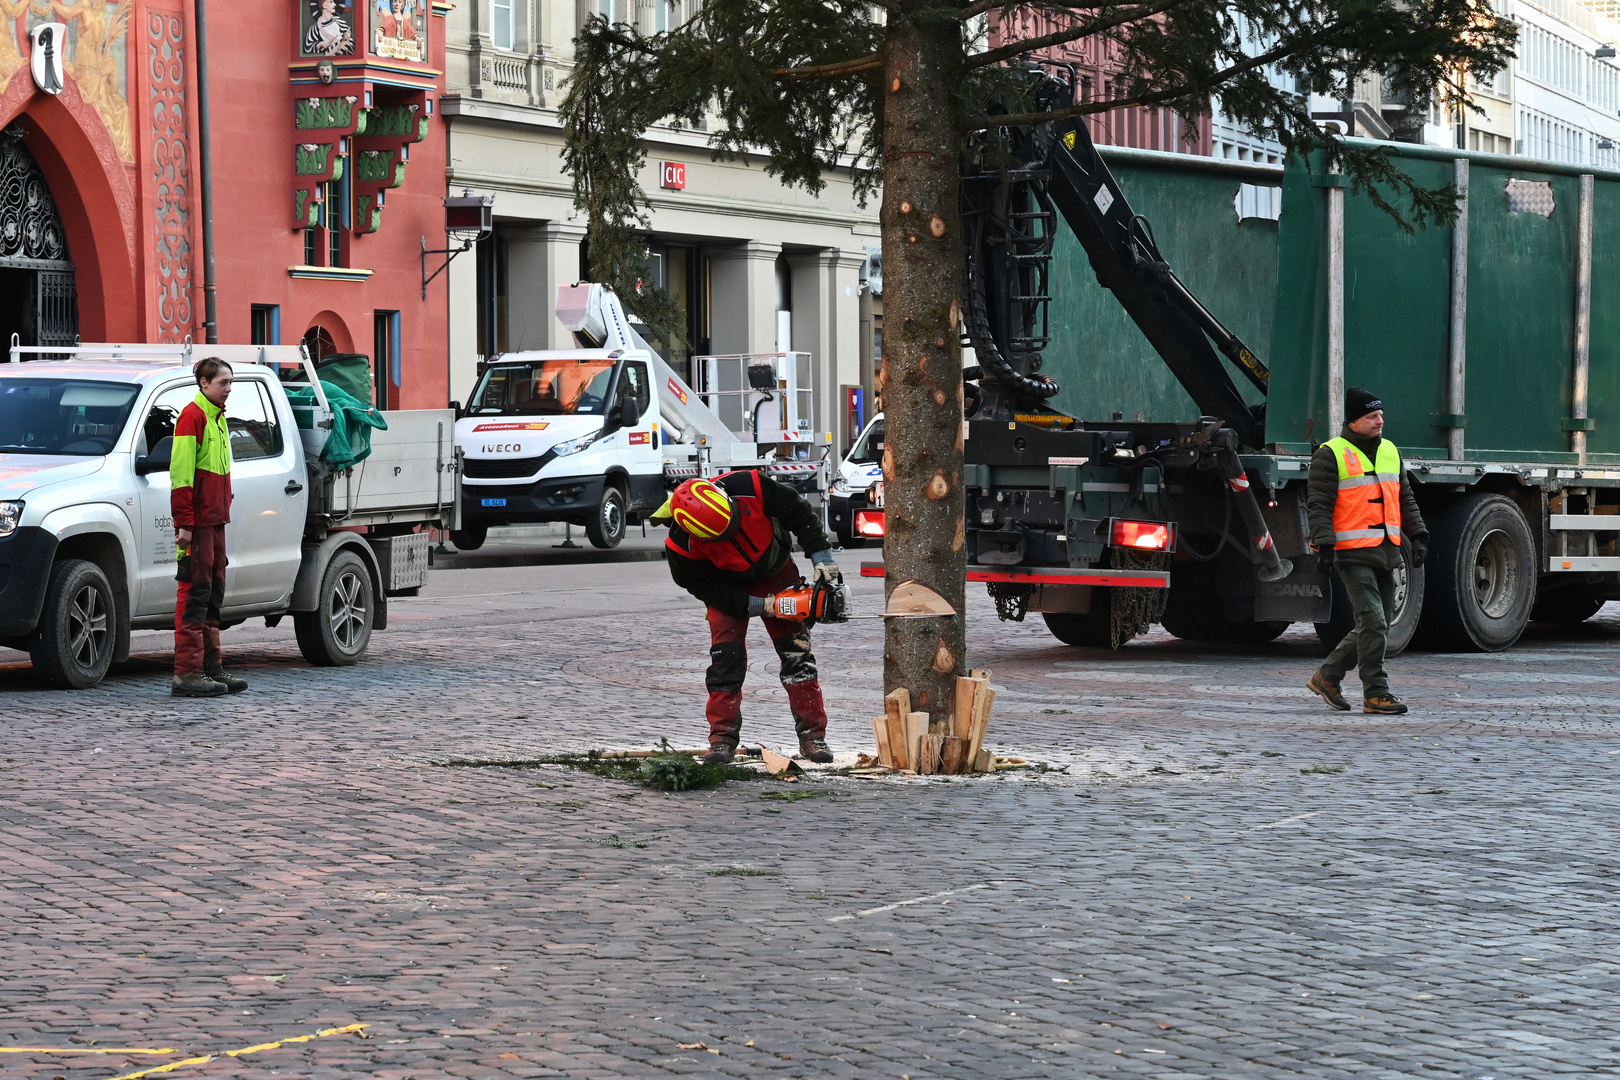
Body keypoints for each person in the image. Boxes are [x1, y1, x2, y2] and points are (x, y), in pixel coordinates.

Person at [658, 471, 843, 764]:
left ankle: (813, 736)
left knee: (797, 655)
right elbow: (707, 588)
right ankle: (721, 739)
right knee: (725, 661)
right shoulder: (680, 546)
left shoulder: (752, 486)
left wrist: (822, 557)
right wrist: (761, 606)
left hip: (776, 570)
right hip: (726, 588)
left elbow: (798, 511)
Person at [1306, 387, 1427, 715]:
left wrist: (1418, 536)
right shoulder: (1330, 454)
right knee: (1373, 620)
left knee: (1378, 625)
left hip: (1387, 551)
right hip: (1352, 553)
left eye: (1381, 415)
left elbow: (1406, 499)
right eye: (1372, 416)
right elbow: (1318, 505)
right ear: (1353, 421)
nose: (1380, 421)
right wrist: (1325, 547)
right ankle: (1376, 692)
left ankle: (1327, 676)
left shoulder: (1390, 451)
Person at [171, 357, 248, 698]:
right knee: (195, 595)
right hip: (199, 523)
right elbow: (181, 474)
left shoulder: (216, 418)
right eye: (223, 383)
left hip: (214, 521)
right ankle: (187, 673)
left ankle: (211, 669)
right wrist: (185, 523)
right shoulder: (194, 416)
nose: (229, 389)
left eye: (230, 382)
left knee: (213, 594)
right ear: (204, 383)